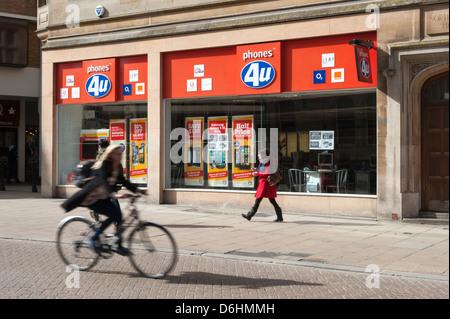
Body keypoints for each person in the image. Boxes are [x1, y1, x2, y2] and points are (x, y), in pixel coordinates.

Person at [61, 145, 146, 255]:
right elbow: (102, 180)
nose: (120, 156)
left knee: (119, 217)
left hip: (104, 196)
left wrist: (138, 190)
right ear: (111, 154)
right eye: (118, 154)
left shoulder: (117, 166)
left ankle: (118, 245)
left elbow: (123, 181)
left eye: (121, 154)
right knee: (113, 215)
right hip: (92, 197)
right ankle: (93, 238)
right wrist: (114, 194)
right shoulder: (103, 164)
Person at [242, 148, 283, 222]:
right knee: (271, 200)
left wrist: (257, 173)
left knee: (259, 200)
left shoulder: (266, 162)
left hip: (265, 184)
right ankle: (279, 216)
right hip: (264, 184)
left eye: (259, 154)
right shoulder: (264, 162)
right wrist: (256, 170)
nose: (258, 155)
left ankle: (249, 215)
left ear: (263, 155)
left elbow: (266, 173)